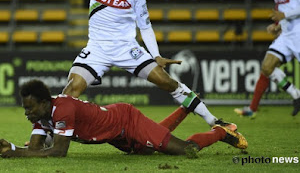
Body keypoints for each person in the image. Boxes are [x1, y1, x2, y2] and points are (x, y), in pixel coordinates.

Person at [28, 0, 236, 131]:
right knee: (70, 91)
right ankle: (46, 136)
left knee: (167, 82)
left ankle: (213, 121)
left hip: (126, 48)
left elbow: (145, 26)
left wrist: (155, 55)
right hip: (97, 48)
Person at [0, 80, 247, 158]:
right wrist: (10, 148)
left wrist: (16, 153)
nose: (27, 113)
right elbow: (34, 149)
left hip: (126, 121)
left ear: (43, 103)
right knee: (148, 149)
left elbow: (58, 152)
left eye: (30, 108)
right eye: (26, 109)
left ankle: (222, 132)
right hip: (115, 135)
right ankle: (185, 109)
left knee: (186, 150)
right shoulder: (41, 116)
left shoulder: (61, 109)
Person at [235, 0, 300, 118]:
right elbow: (283, 9)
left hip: (298, 34)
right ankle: (296, 94)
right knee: (267, 67)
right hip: (286, 35)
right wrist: (277, 26)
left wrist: (284, 17)